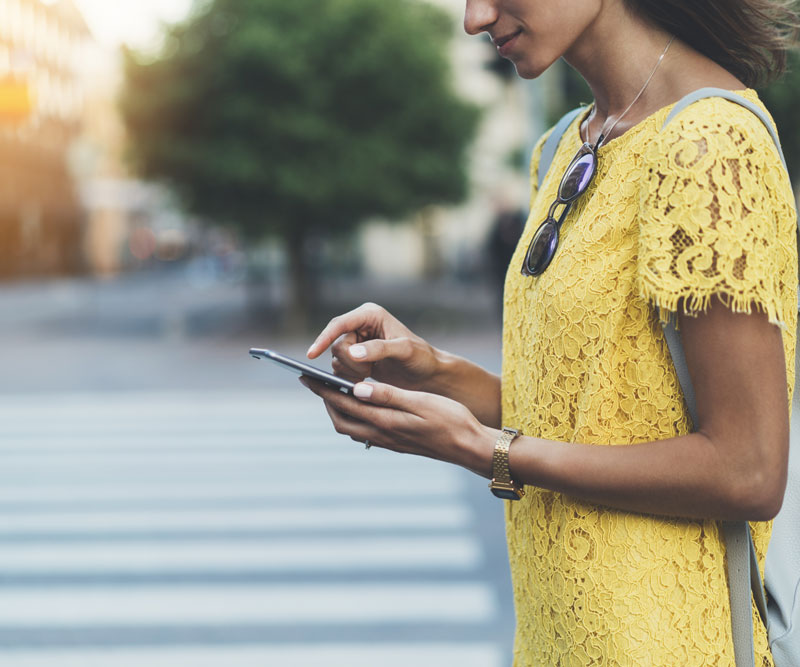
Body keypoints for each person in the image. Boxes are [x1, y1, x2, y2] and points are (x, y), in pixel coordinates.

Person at [302, 1, 799, 664]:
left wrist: (491, 452)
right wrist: (436, 372)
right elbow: (596, 414)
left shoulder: (709, 146)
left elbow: (750, 469)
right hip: (555, 642)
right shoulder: (565, 143)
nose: (477, 18)